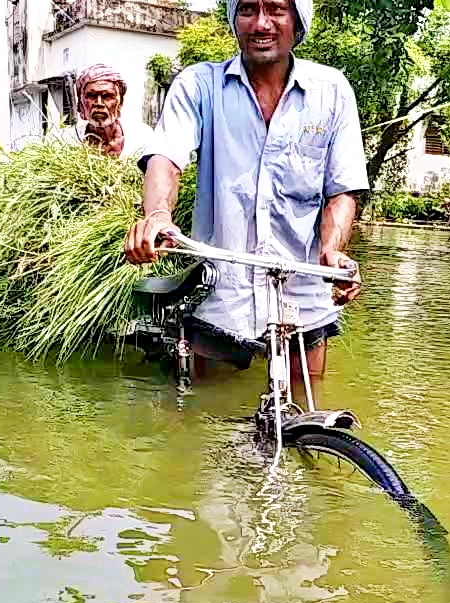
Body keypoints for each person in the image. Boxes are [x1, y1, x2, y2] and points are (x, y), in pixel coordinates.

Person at [124, 0, 367, 383]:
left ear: (298, 19)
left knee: (306, 421)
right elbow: (166, 158)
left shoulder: (332, 91)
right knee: (207, 425)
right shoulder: (200, 85)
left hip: (303, 292)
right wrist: (157, 216)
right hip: (223, 290)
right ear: (234, 19)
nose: (261, 23)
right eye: (248, 9)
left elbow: (343, 189)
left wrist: (333, 250)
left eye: (275, 9)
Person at [56, 64, 152, 157]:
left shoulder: (142, 138)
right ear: (81, 103)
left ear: (120, 102)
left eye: (107, 96)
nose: (99, 103)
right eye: (91, 96)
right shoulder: (65, 141)